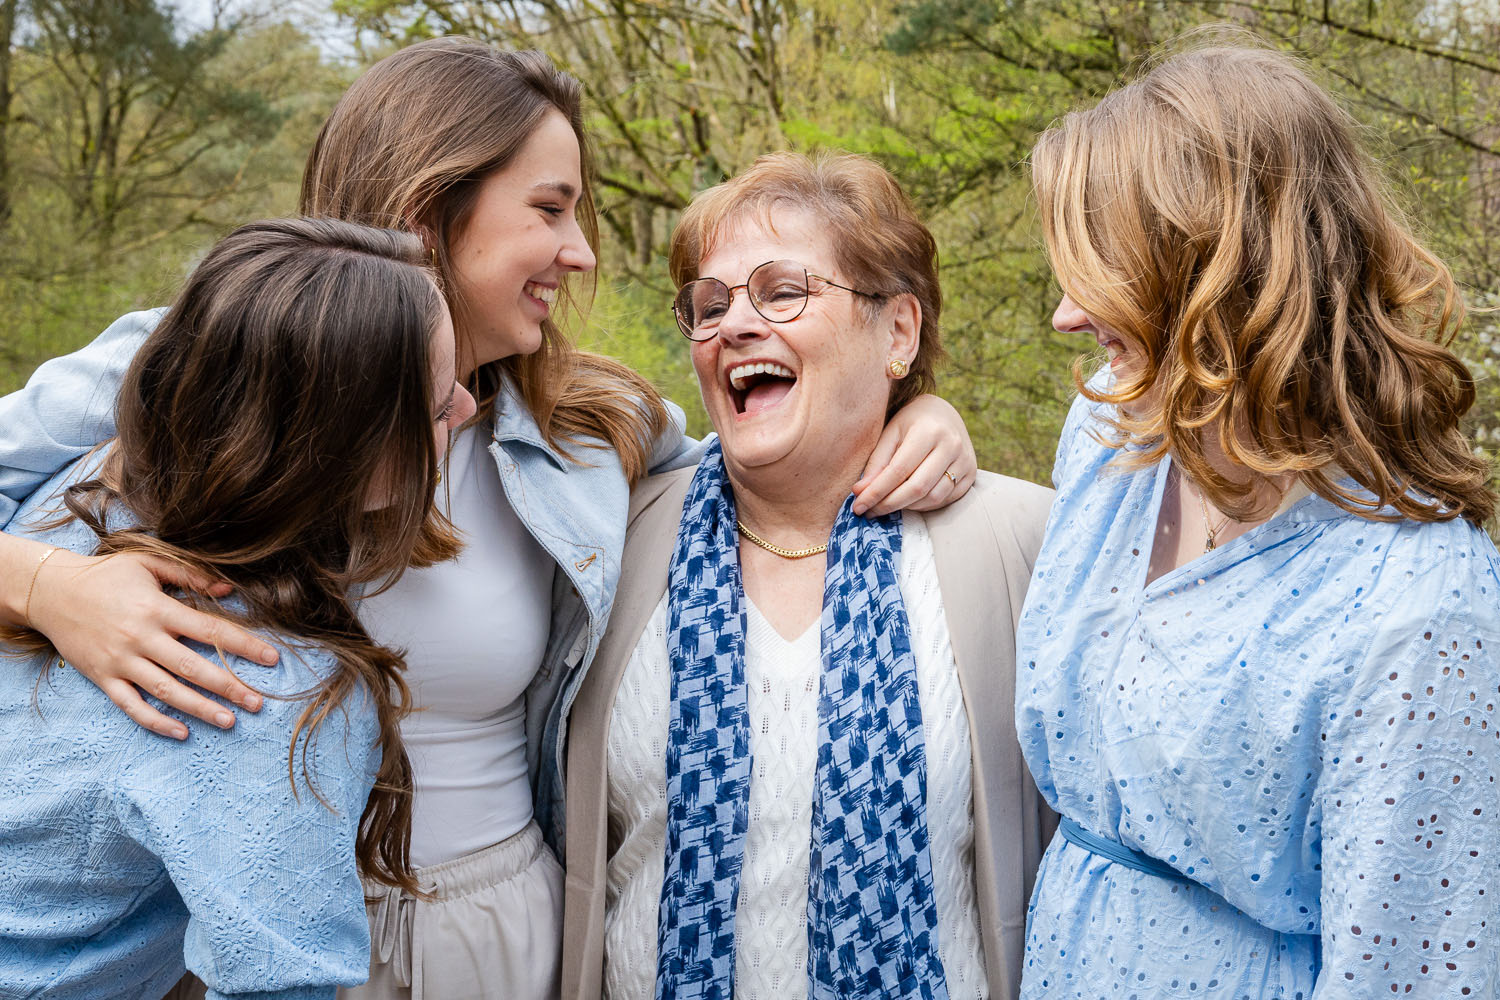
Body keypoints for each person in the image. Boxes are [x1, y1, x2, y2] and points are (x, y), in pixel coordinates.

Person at [0, 38, 978, 999]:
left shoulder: (584, 430)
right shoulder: (225, 356)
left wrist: (912, 405)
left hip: (506, 926)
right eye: (549, 207)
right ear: (432, 211)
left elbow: (763, 459)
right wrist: (50, 587)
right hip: (264, 926)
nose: (582, 251)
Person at [1016, 44, 1500, 998]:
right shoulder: (1114, 430)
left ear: (1229, 282)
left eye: (1107, 274)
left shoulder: (1424, 610)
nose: (1070, 317)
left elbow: (1410, 975)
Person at [559, 151, 1056, 1000]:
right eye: (709, 305)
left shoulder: (1018, 541)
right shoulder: (611, 537)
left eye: (782, 290)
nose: (734, 326)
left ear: (897, 332)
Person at [0, 218, 476, 997]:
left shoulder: (68, 489)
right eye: (432, 407)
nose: (464, 406)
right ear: (341, 443)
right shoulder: (269, 688)